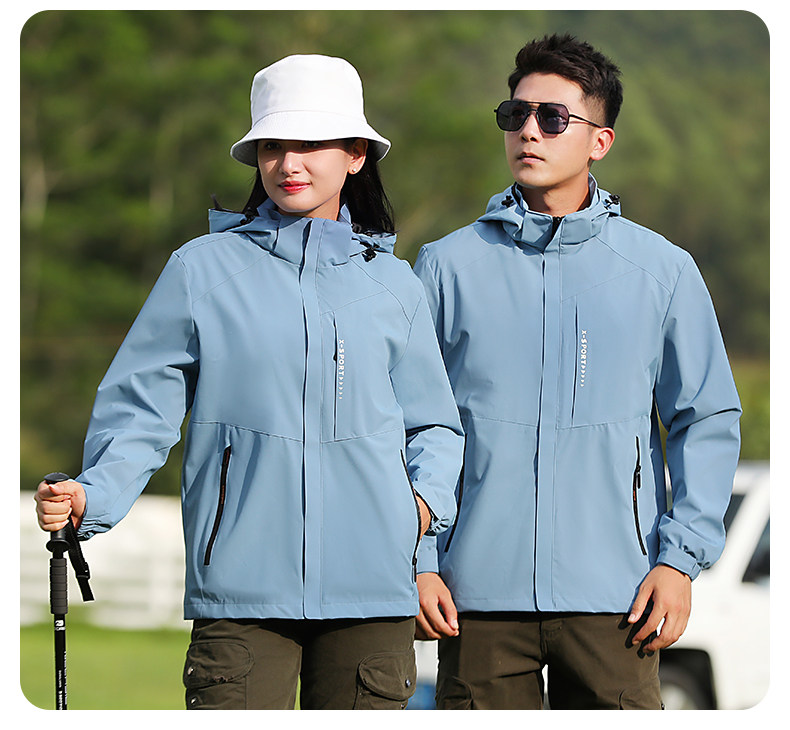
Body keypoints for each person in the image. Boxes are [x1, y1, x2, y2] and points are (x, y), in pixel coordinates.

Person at [34, 54, 464, 710]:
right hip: (239, 589)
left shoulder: (395, 284)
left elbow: (433, 425)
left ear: (355, 155)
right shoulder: (200, 270)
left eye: (310, 144)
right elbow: (143, 408)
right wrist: (93, 496)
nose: (289, 163)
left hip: (374, 592)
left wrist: (418, 511)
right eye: (272, 146)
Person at [412, 34, 741, 710]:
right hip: (474, 597)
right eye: (515, 115)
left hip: (620, 597)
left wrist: (680, 561)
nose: (528, 131)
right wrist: (416, 561)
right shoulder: (445, 267)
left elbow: (705, 418)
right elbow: (406, 423)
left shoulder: (662, 271)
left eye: (552, 117)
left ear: (600, 141)